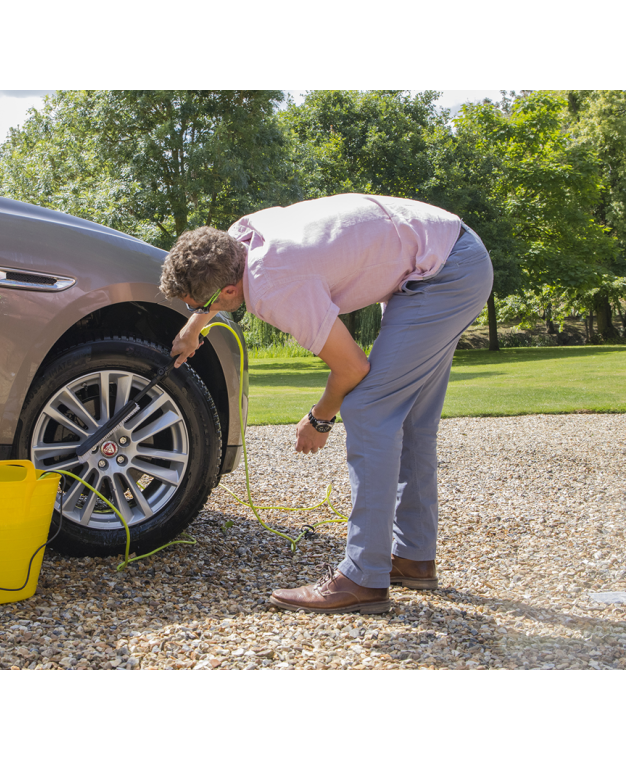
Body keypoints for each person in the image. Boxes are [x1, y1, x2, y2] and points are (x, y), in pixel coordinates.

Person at [159, 194, 494, 615]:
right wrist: (195, 328)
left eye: (198, 305)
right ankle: (412, 558)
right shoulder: (239, 238)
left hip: (444, 274)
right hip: (449, 250)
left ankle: (362, 579)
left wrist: (320, 418)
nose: (196, 311)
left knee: (369, 409)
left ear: (228, 290)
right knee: (409, 419)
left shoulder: (275, 285)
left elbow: (353, 368)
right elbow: (222, 285)